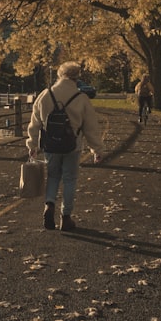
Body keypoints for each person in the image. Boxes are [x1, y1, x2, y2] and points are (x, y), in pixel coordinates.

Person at [26, 62, 104, 231]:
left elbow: (34, 122)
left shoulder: (45, 95)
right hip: (72, 145)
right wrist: (96, 149)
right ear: (77, 76)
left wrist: (32, 144)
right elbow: (91, 127)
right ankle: (66, 217)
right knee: (69, 179)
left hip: (51, 145)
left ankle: (49, 204)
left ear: (60, 75)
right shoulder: (81, 98)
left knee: (53, 176)